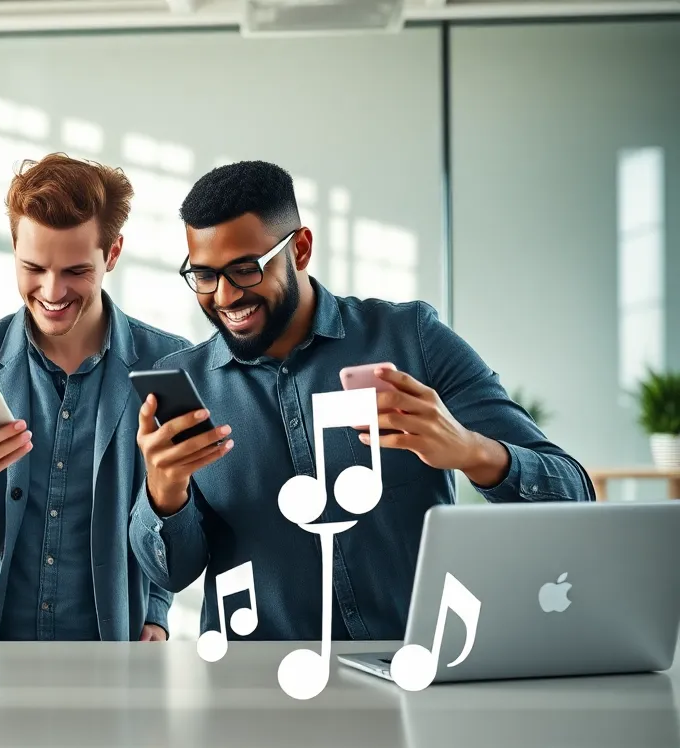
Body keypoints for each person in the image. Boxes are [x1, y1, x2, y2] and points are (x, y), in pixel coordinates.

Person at [129, 160, 596, 643]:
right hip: (261, 692)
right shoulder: (185, 386)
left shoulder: (413, 340)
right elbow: (171, 574)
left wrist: (471, 451)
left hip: (416, 672)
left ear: (301, 249)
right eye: (204, 275)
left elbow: (574, 496)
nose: (225, 296)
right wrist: (164, 495)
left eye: (246, 270)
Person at [0, 152, 188, 642]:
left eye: (75, 270)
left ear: (114, 253)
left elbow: (181, 530)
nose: (51, 290)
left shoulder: (167, 364)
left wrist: (159, 611)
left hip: (112, 649)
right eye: (33, 267)